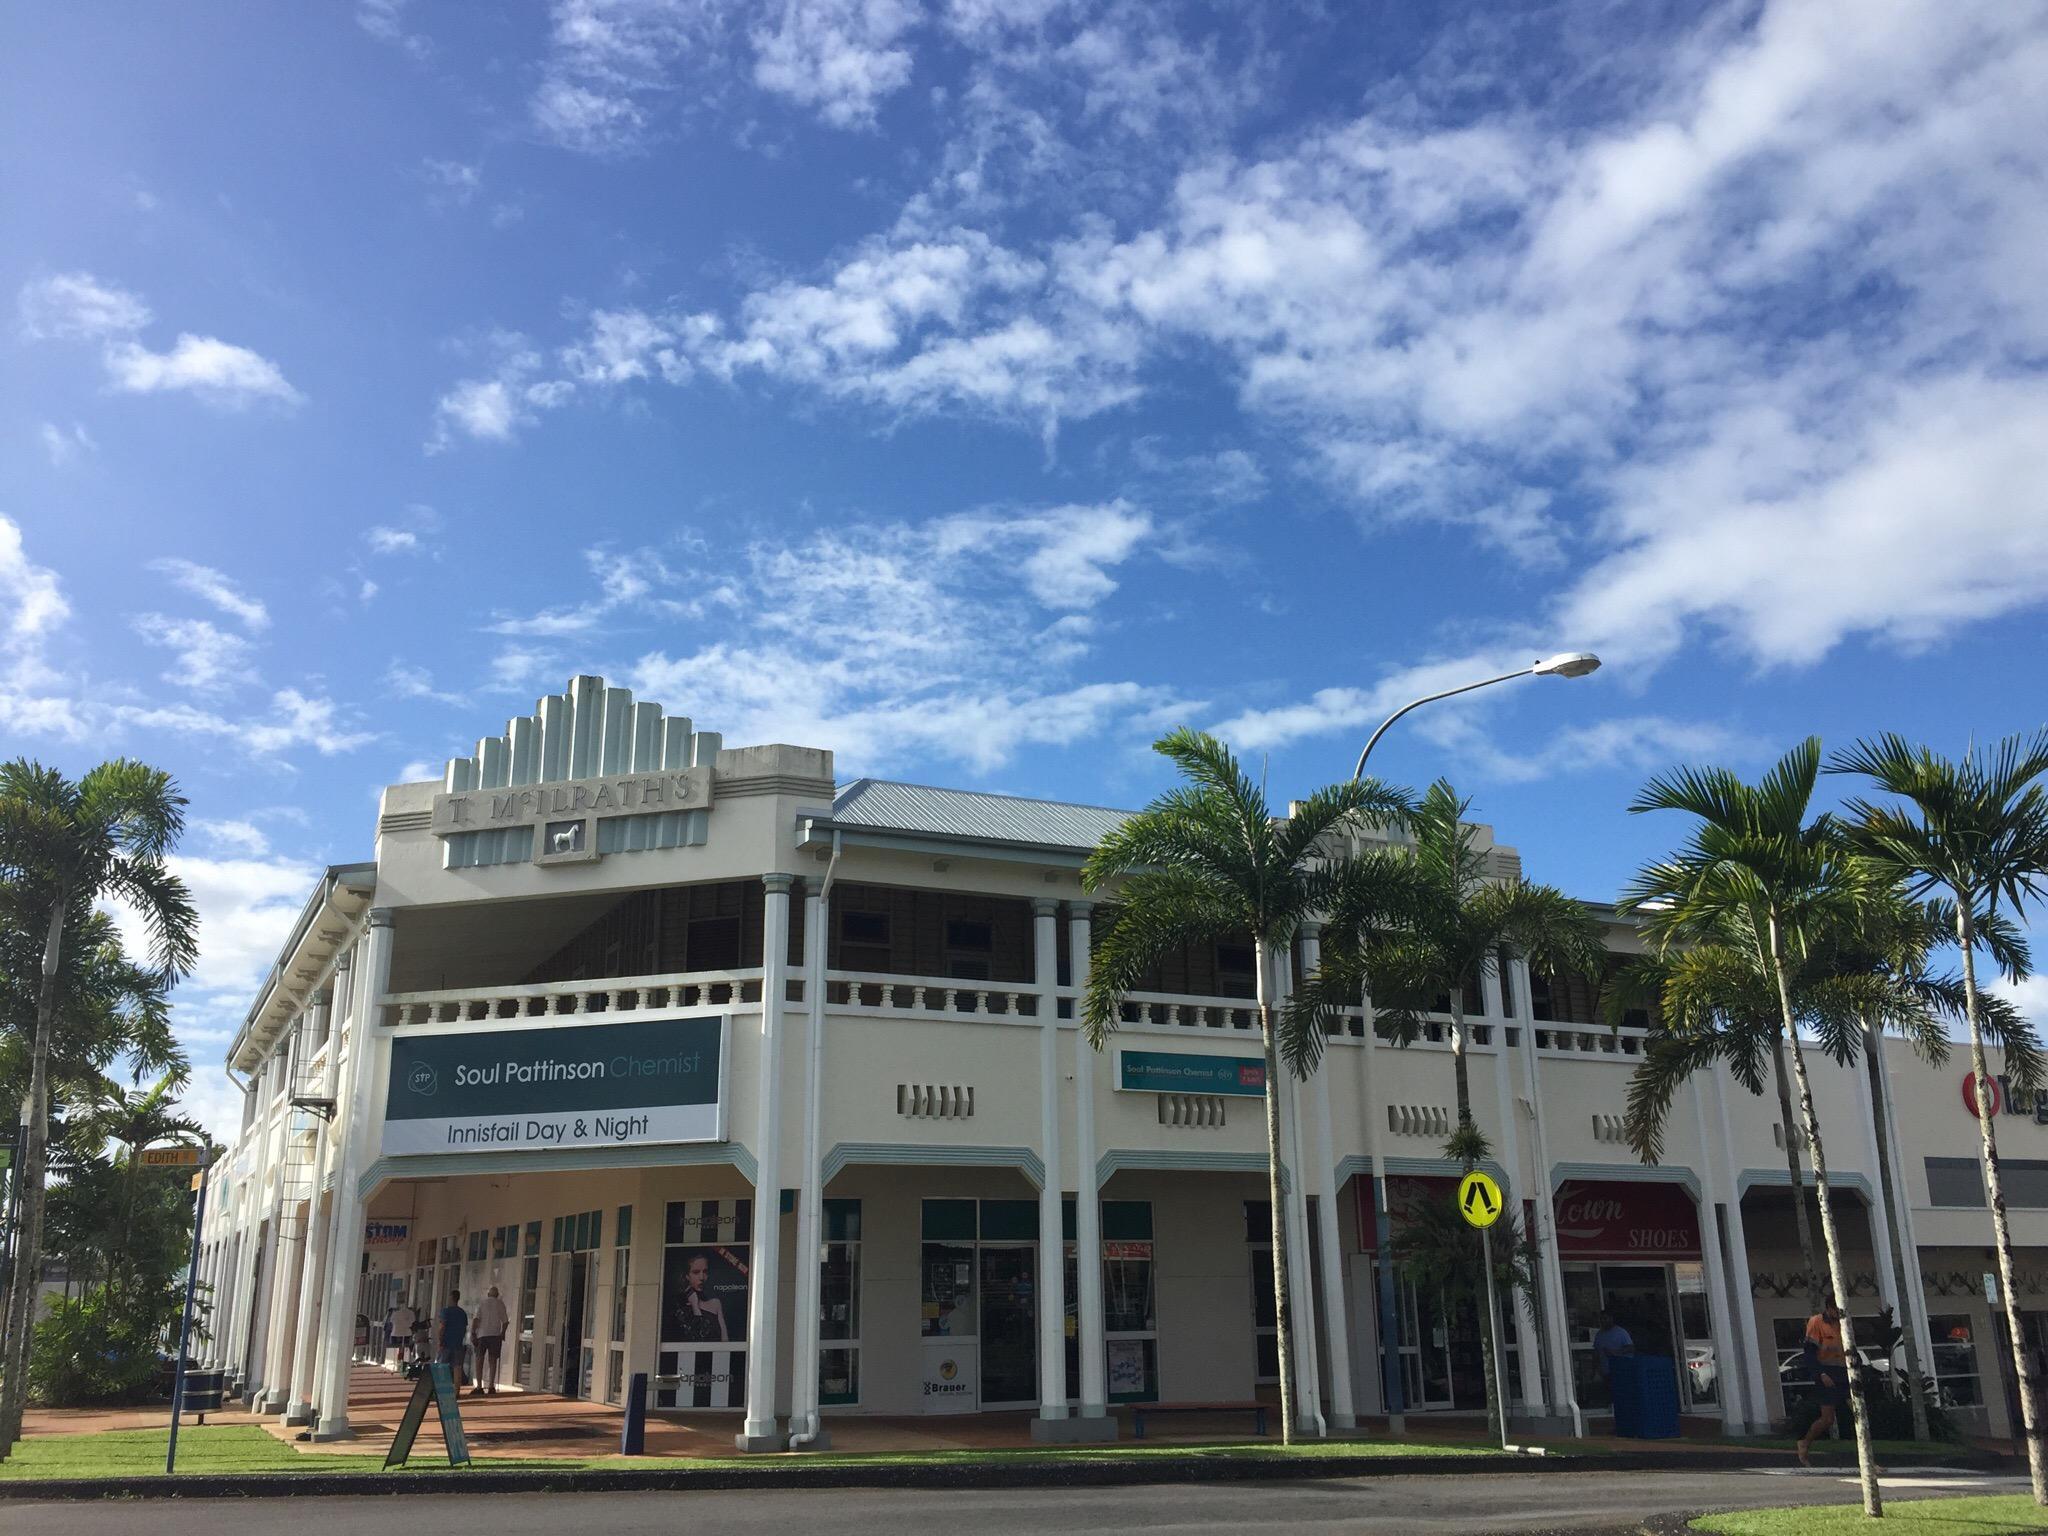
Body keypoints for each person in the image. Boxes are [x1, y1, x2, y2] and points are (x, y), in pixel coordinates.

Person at [1798, 1294, 1850, 1468]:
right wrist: (1820, 1374)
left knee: (1858, 1413)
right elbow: (1810, 1353)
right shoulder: (1817, 1322)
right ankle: (1805, 1442)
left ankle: (1868, 1458)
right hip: (1826, 1371)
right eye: (1835, 1309)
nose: (1838, 1313)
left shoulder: (1844, 1323)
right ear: (1829, 1307)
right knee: (1827, 1419)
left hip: (1844, 1371)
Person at [675, 1253, 728, 1342]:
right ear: (687, 1276)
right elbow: (697, 1338)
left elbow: (725, 1342)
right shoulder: (679, 1306)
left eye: (705, 1272)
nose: (702, 1277)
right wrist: (695, 1306)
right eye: (696, 1272)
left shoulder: (715, 1303)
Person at [472, 1284, 510, 1396]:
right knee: (493, 1360)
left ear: (488, 1294)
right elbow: (505, 1321)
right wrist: (502, 1333)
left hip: (482, 1335)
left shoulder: (482, 1303)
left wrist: (473, 1333)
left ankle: (479, 1386)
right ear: (497, 1295)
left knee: (479, 1360)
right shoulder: (500, 1304)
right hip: (495, 1335)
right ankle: (491, 1386)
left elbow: (476, 1319)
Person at [1593, 1309, 1635, 1379]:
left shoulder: (1621, 1332)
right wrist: (1595, 1369)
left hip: (1621, 1371)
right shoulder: (1599, 1334)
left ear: (1611, 1318)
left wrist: (1615, 1352)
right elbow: (1596, 1352)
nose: (1603, 1321)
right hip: (1605, 1372)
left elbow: (1631, 1348)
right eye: (1601, 1319)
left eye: (1605, 1318)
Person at [439, 1289, 470, 1382]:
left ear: (451, 1298)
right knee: (457, 1367)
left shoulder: (446, 1311)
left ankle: (442, 1387)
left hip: (446, 1343)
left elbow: (442, 1327)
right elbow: (464, 1328)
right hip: (458, 1343)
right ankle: (457, 1390)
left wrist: (440, 1340)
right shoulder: (462, 1313)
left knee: (442, 1366)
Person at [388, 1299, 417, 1366]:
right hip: (406, 1332)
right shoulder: (410, 1313)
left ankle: (400, 1362)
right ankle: (401, 1362)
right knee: (404, 1347)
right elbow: (412, 1322)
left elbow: (392, 1322)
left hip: (396, 1333)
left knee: (399, 1347)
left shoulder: (395, 1313)